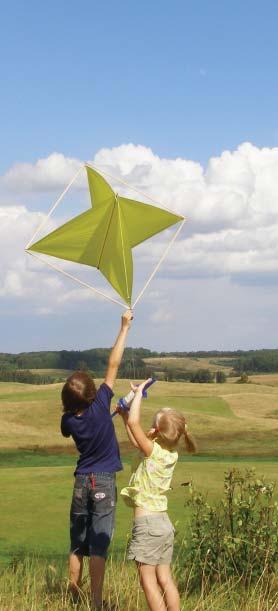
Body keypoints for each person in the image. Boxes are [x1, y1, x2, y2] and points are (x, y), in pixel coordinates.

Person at [60, 309, 133, 610]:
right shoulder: (102, 403)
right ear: (93, 394)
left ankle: (73, 595)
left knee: (78, 543)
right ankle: (97, 603)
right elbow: (113, 362)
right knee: (99, 547)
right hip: (103, 482)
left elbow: (76, 419)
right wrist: (124, 327)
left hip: (81, 482)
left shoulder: (68, 421)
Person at [120, 380, 196, 611]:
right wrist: (124, 413)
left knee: (148, 582)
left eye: (153, 423)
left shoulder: (152, 451)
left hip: (148, 525)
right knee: (165, 579)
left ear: (157, 432)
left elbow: (135, 425)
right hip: (163, 524)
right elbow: (136, 437)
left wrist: (139, 394)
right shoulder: (169, 453)